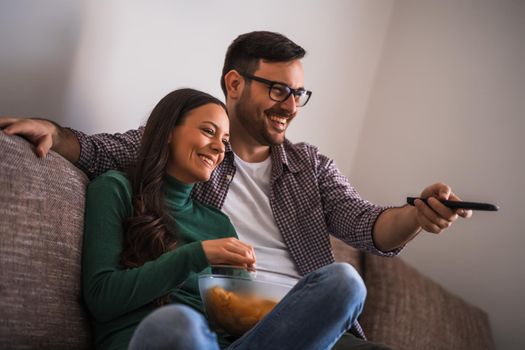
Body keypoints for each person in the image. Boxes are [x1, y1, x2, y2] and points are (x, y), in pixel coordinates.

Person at [0, 31, 471, 349]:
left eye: (299, 94)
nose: (291, 105)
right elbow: (110, 152)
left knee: (346, 281)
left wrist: (417, 215)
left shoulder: (310, 167)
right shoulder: (177, 170)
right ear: (235, 83)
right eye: (279, 90)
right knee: (179, 326)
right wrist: (55, 133)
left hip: (293, 323)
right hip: (217, 324)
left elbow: (365, 223)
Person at [80, 87, 370, 350]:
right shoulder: (115, 189)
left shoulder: (218, 224)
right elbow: (102, 298)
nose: (220, 148)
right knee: (178, 323)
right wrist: (196, 255)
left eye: (225, 140)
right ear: (169, 131)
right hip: (158, 338)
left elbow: (240, 323)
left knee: (345, 282)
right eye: (208, 131)